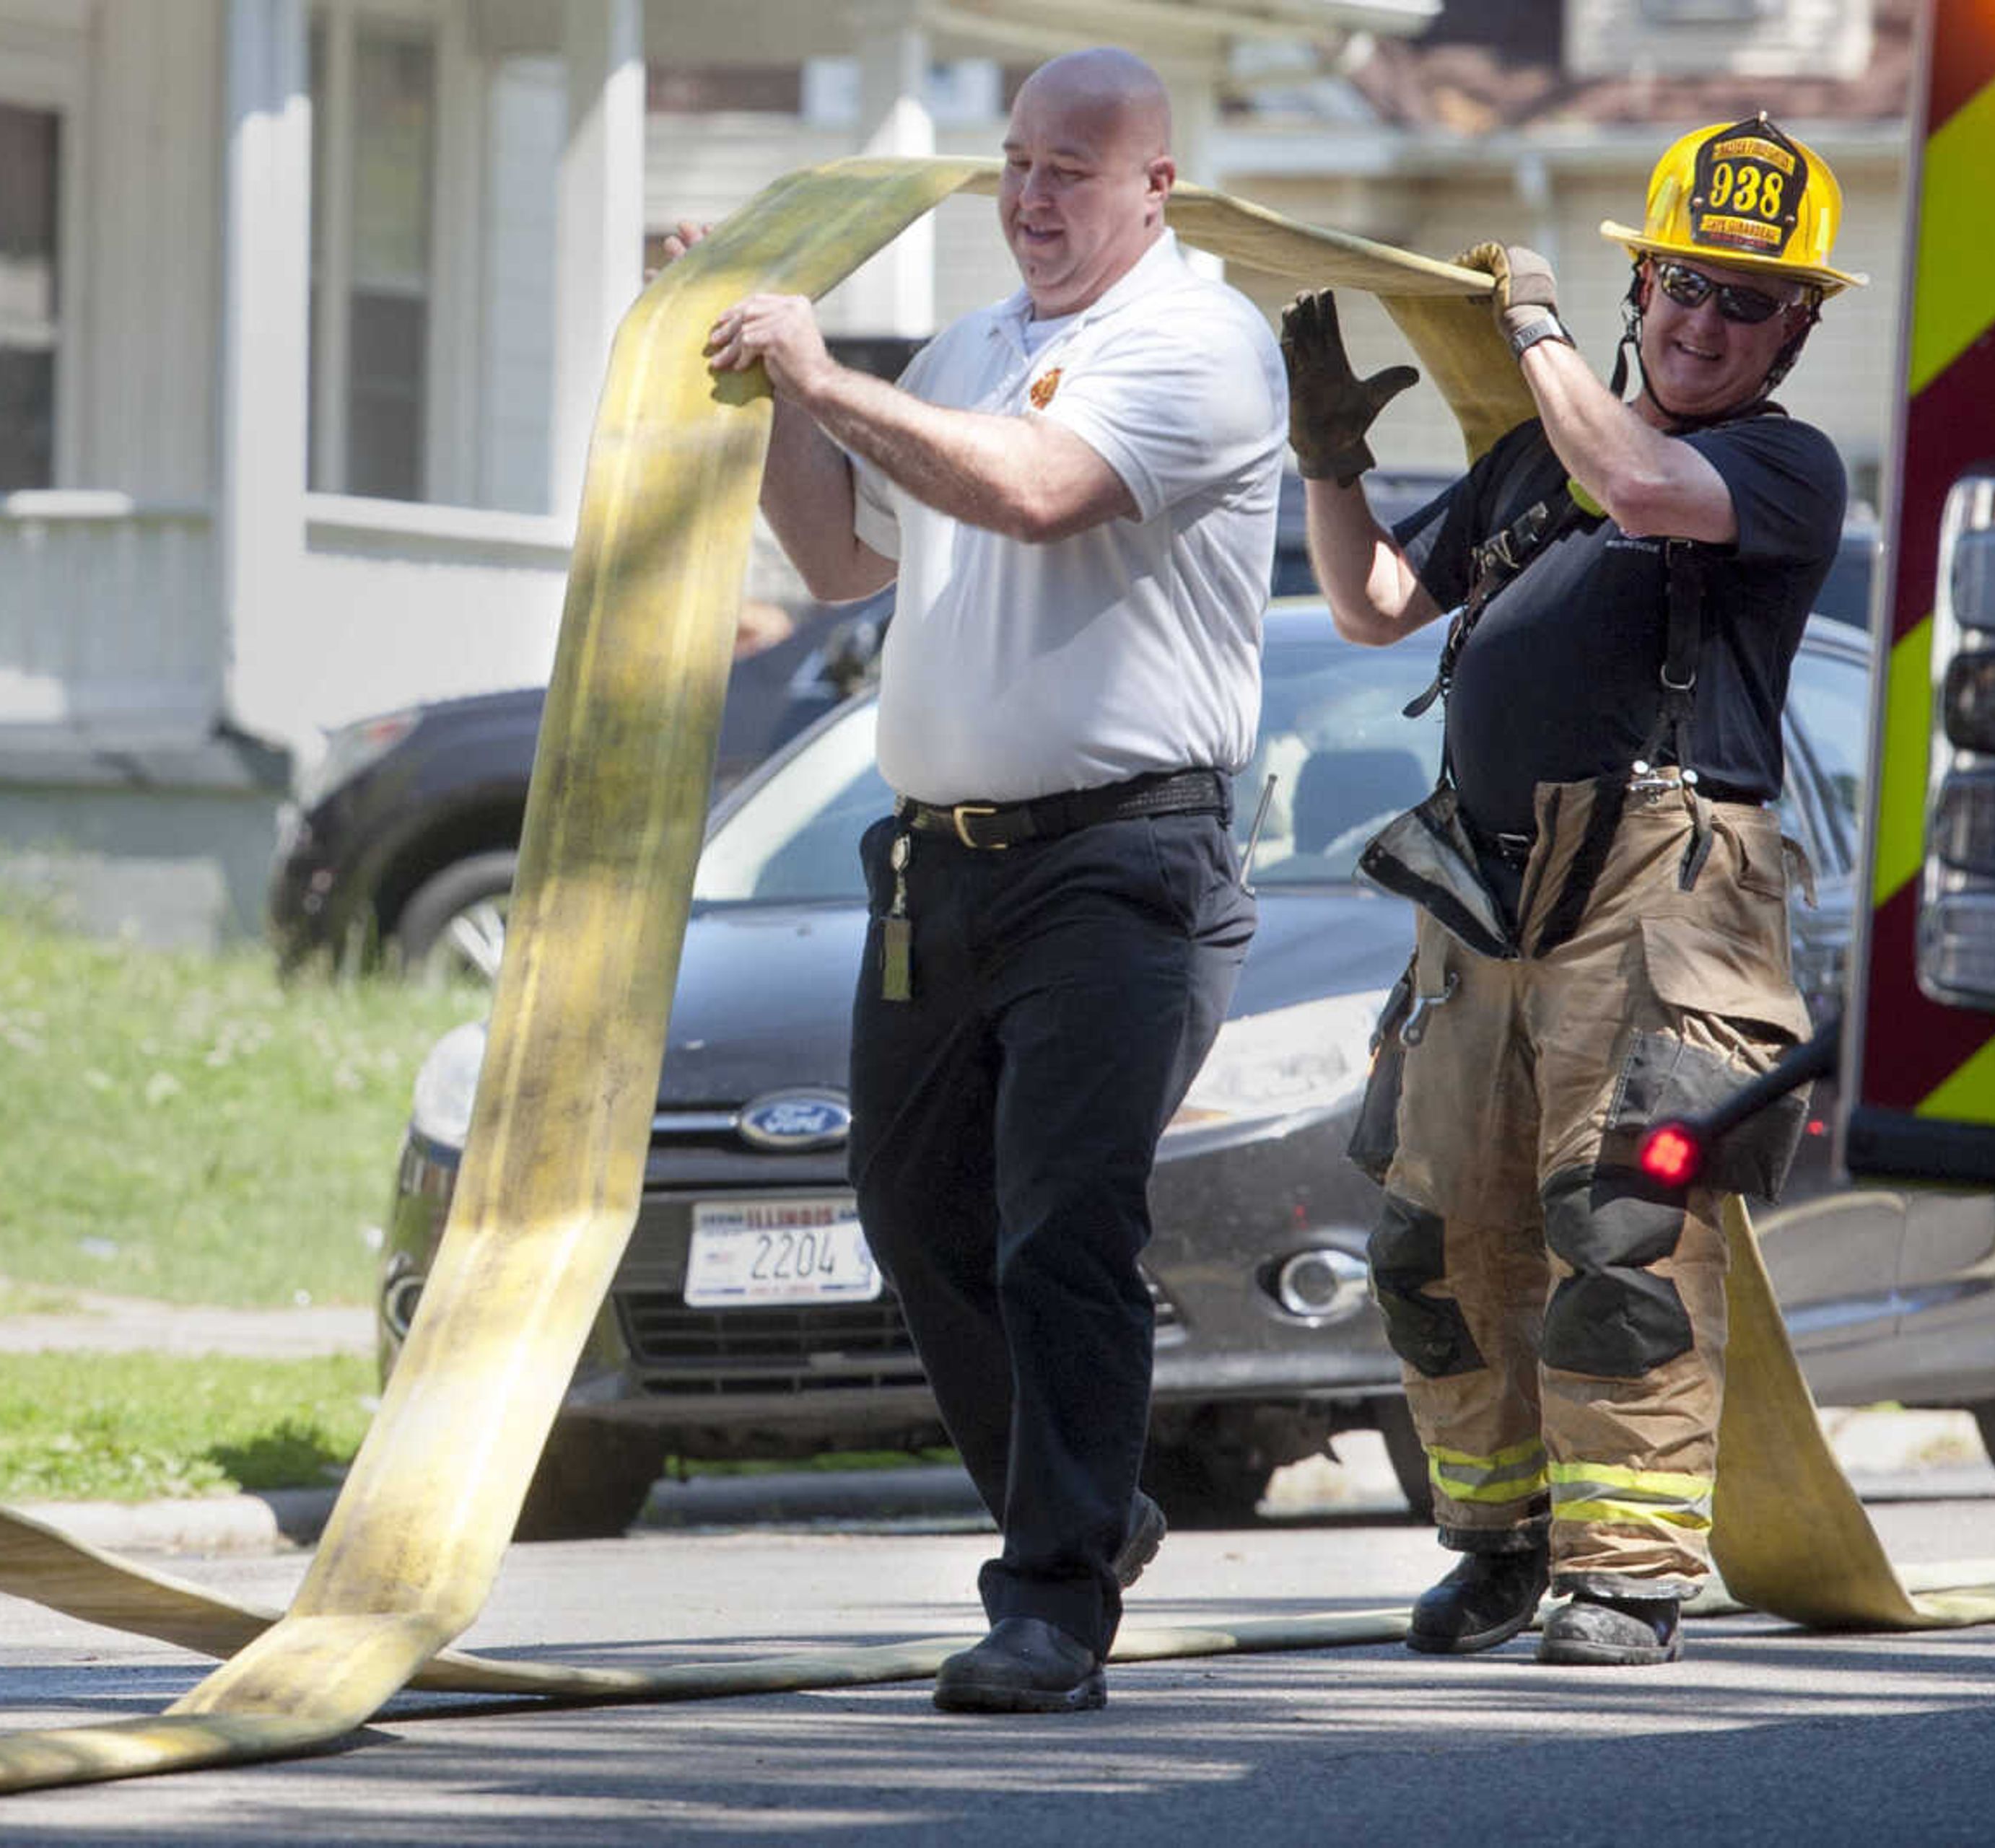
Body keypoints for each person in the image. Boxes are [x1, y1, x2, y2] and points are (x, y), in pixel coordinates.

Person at [693, 46, 1283, 1713]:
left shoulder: (1198, 342)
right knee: (913, 1213)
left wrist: (829, 369)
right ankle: (1086, 1503)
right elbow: (837, 558)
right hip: (938, 871)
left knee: (1060, 1227)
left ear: (1153, 186)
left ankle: (1050, 1604)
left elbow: (1035, 491)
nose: (1031, 198)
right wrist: (765, 373)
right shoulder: (968, 351)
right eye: (1017, 164)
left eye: (1072, 171)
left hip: (1122, 865)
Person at [1285, 115, 1861, 1666]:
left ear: (1796, 329)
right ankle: (1499, 1543)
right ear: (1648, 280)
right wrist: (1331, 458)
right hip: (1484, 887)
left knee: (1620, 1237)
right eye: (1684, 282)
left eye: (1747, 302)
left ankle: (1630, 1576)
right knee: (1434, 1232)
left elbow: (1641, 483)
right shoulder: (1540, 454)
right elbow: (1368, 606)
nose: (1702, 320)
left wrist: (1535, 324)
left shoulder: (1777, 467)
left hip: (1658, 891)